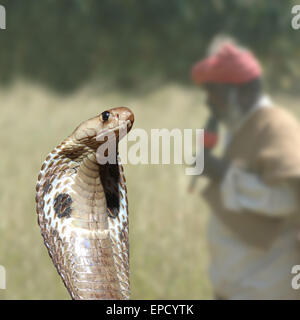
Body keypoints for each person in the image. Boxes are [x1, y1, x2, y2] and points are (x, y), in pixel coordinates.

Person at [191, 39, 300, 299]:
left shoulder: (276, 126)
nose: (209, 103)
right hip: (239, 285)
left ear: (244, 93)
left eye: (214, 94)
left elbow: (288, 200)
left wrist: (223, 173)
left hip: (266, 287)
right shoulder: (241, 125)